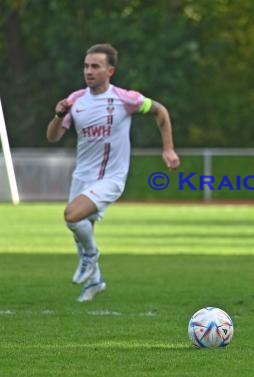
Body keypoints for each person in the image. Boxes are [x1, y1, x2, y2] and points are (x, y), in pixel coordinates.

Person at [46, 43, 180, 302]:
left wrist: (169, 149)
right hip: (81, 176)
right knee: (81, 231)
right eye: (86, 66)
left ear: (110, 71)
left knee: (71, 216)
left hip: (111, 178)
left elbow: (159, 110)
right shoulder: (75, 100)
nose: (89, 71)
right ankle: (95, 282)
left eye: (95, 66)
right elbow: (52, 136)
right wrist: (57, 115)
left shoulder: (125, 99)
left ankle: (92, 255)